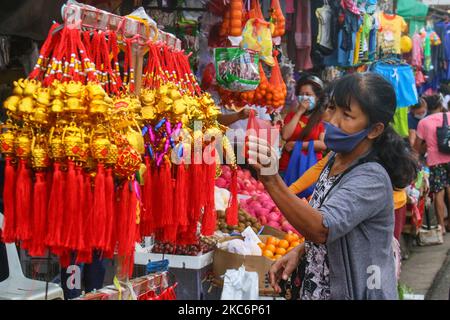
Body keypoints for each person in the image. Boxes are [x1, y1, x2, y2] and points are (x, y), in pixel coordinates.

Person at [247, 73, 417, 300]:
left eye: (346, 115)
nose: (333, 121)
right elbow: (335, 227)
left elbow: (323, 228)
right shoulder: (336, 159)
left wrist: (272, 180)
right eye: (332, 108)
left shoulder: (371, 178)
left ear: (374, 130)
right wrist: (301, 251)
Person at [414, 94, 450, 235]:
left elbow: (417, 147)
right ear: (440, 105)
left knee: (439, 193)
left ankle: (441, 226)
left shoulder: (424, 122)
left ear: (427, 107)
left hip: (435, 161)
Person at [279, 75, 327, 177]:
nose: (304, 97)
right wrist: (299, 112)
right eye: (302, 94)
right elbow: (285, 136)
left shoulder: (322, 119)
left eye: (308, 94)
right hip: (287, 166)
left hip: (309, 168)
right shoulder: (292, 115)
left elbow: (323, 144)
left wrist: (296, 145)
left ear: (317, 98)